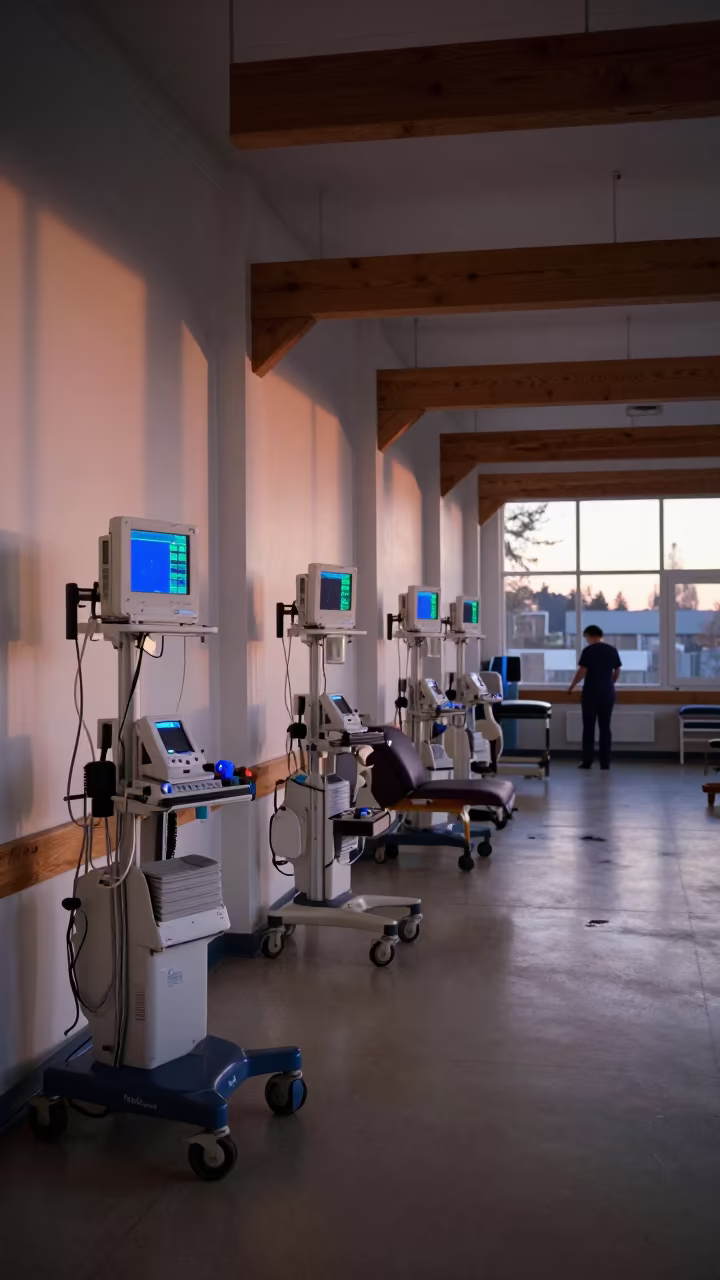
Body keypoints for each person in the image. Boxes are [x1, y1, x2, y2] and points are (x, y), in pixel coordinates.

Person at [568, 625, 622, 769]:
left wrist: (572, 686)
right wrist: (611, 683)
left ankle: (587, 761)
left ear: (590, 636)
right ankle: (605, 762)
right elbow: (617, 670)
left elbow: (582, 671)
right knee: (605, 728)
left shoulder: (588, 651)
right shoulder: (612, 650)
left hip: (591, 693)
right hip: (607, 693)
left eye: (586, 637)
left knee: (588, 728)